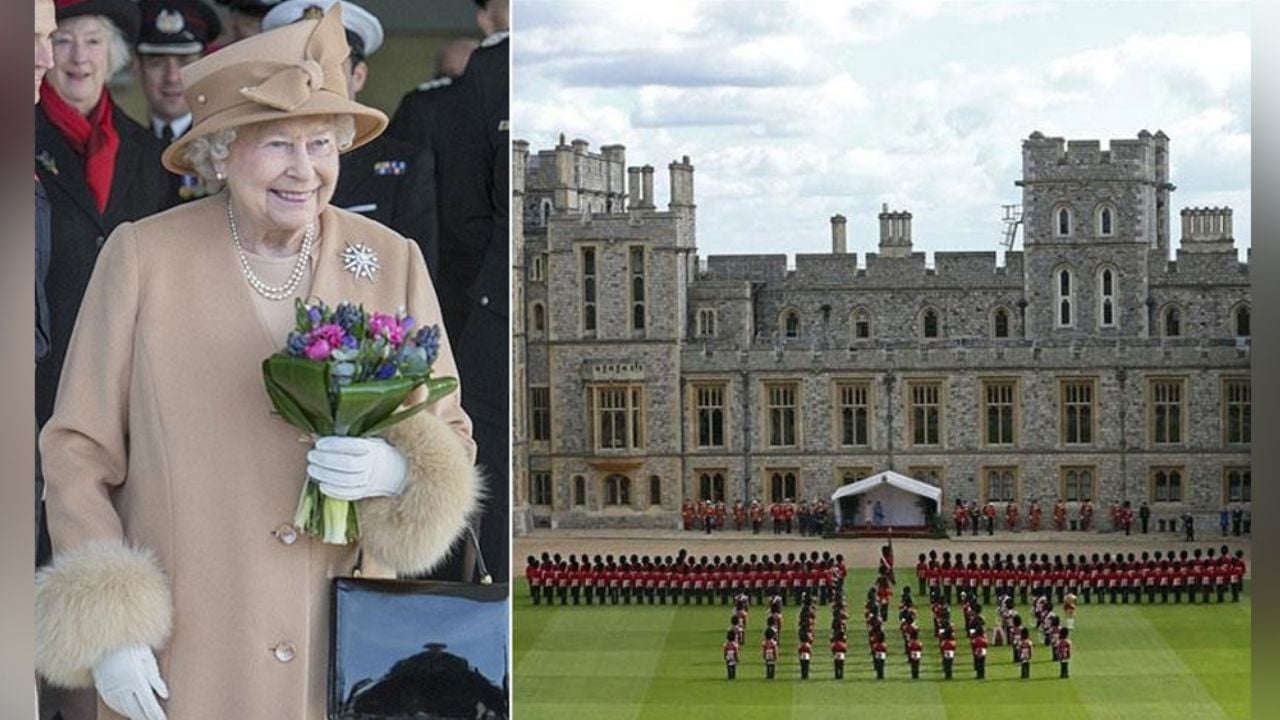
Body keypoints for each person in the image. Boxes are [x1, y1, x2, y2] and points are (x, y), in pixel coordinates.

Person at [34, 9, 481, 720]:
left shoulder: (391, 260)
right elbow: (78, 451)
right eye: (277, 144)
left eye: (321, 144)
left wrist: (401, 472)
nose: (305, 171)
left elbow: (449, 431)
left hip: (347, 663)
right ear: (219, 151)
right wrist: (111, 630)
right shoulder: (144, 257)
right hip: (185, 656)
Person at [263, 0, 440, 278]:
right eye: (300, 67)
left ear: (357, 76)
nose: (312, 80)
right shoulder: (258, 158)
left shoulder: (404, 164)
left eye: (328, 68)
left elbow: (415, 276)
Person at [134, 0, 222, 203]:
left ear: (203, 66)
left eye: (184, 62)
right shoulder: (120, 147)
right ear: (137, 68)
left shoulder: (224, 145)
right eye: (156, 63)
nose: (172, 77)